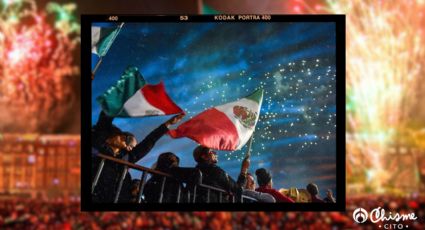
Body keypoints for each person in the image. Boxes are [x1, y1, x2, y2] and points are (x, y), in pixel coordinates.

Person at [91, 111, 185, 203]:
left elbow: (148, 142)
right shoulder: (96, 147)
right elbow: (104, 122)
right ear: (107, 137)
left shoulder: (126, 157)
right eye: (122, 136)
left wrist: (167, 124)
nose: (124, 140)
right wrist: (113, 105)